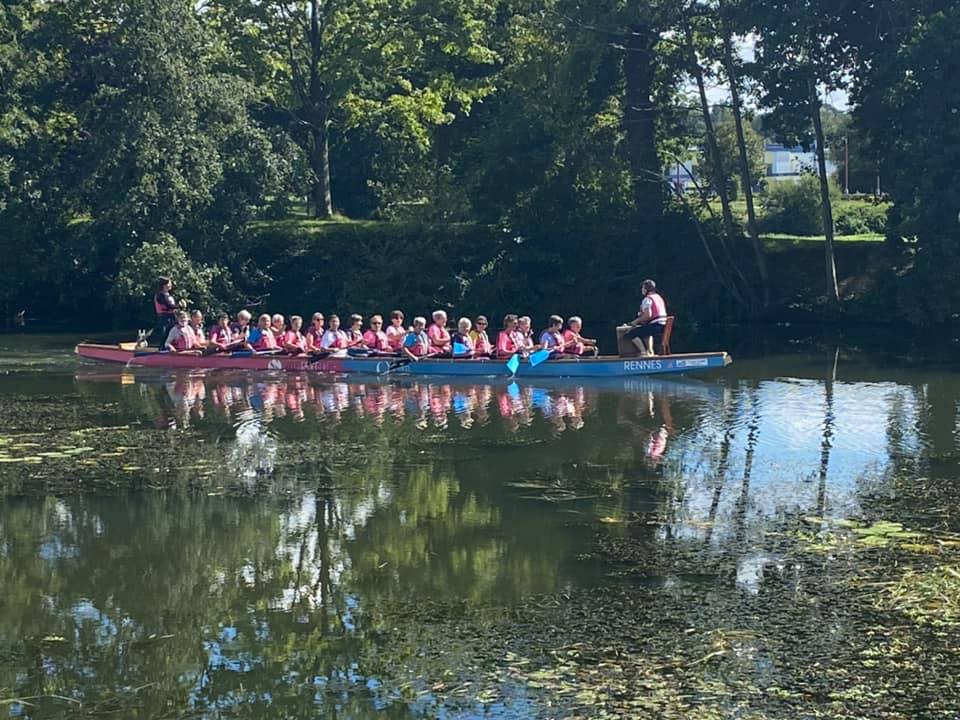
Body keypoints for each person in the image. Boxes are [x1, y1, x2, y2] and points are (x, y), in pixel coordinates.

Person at [625, 279, 667, 356]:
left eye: (643, 288)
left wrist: (635, 322)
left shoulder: (647, 299)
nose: (642, 290)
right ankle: (650, 351)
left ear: (647, 289)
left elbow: (648, 315)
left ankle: (643, 352)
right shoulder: (658, 297)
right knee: (646, 332)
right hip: (663, 325)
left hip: (656, 325)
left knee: (631, 334)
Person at [153, 277, 179, 346]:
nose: (170, 285)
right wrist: (179, 305)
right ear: (163, 285)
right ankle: (163, 348)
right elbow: (169, 305)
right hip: (164, 318)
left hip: (171, 317)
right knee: (166, 334)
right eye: (169, 283)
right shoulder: (160, 295)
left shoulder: (167, 294)